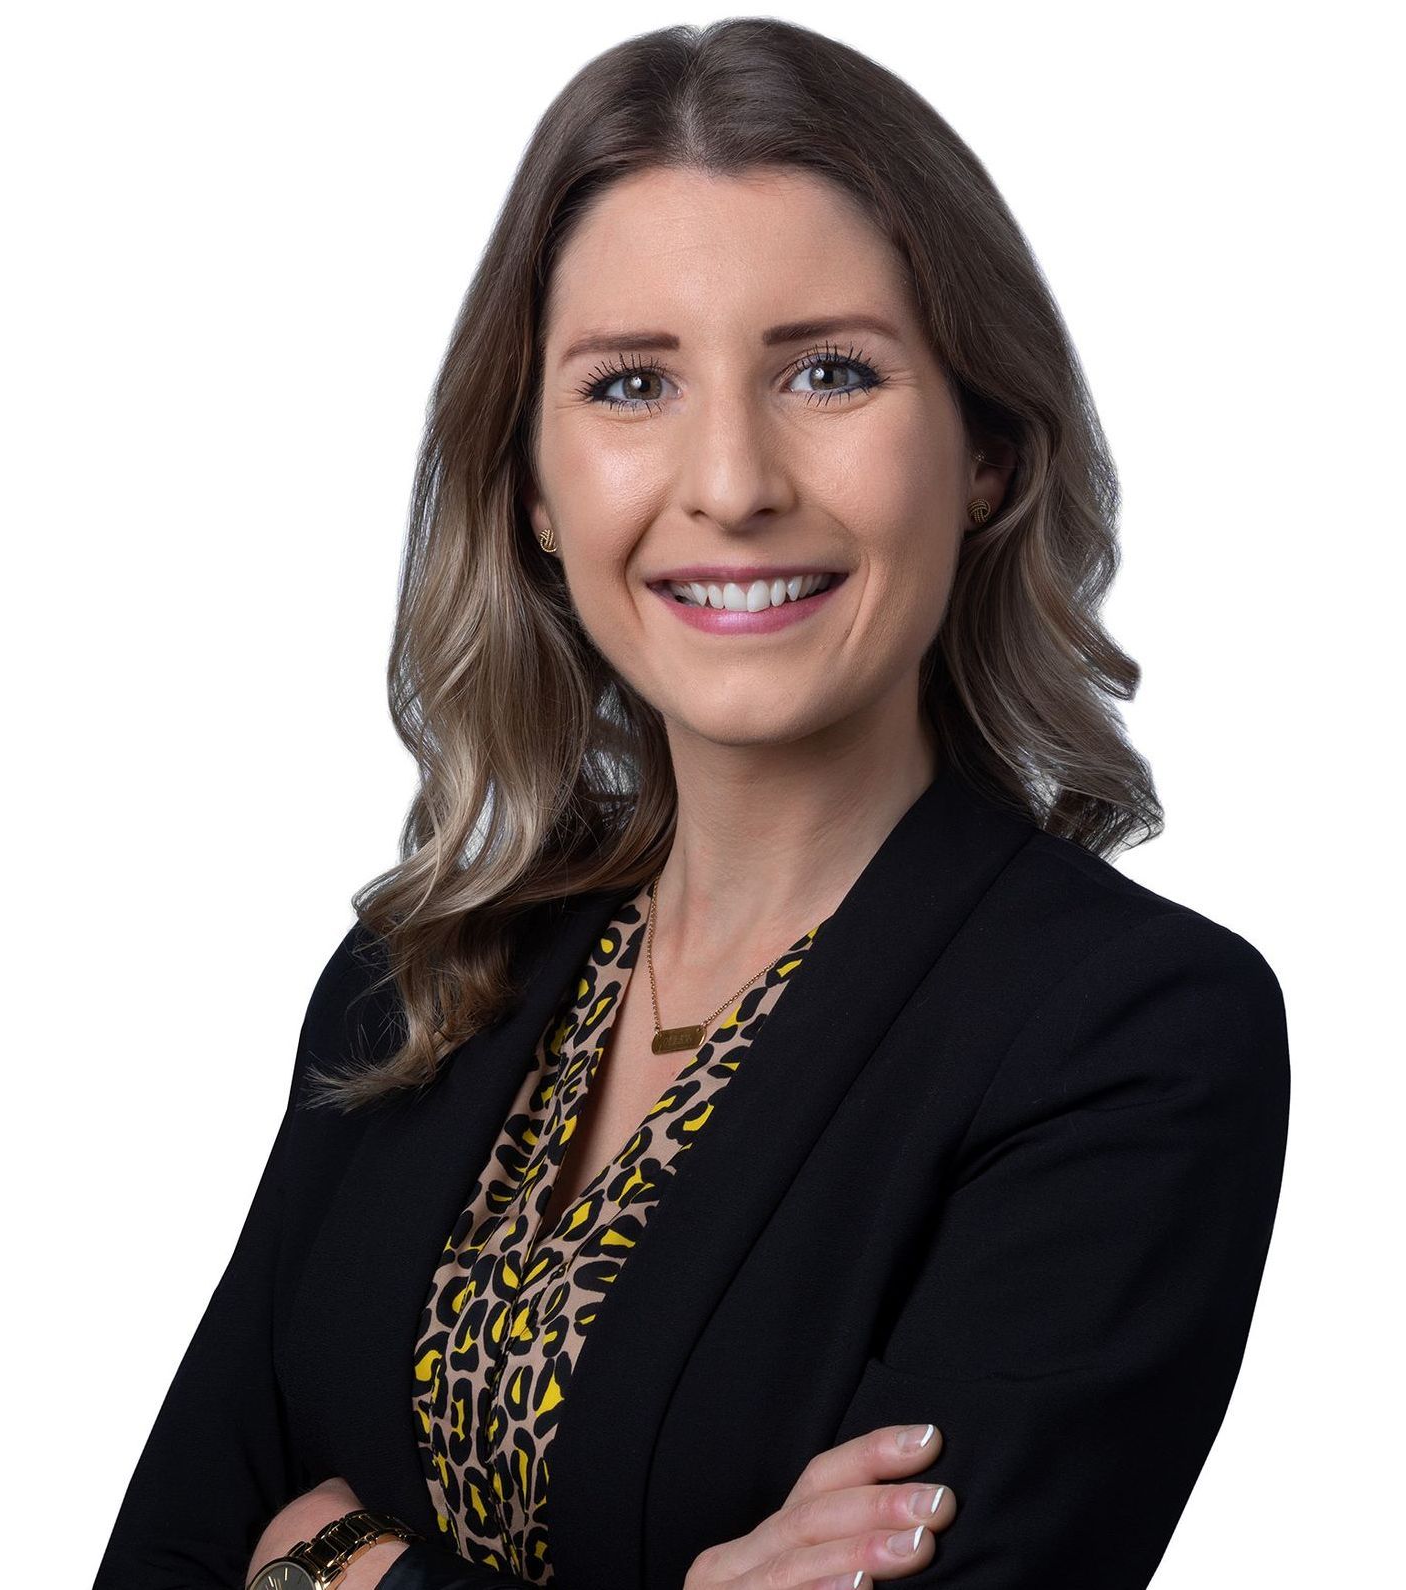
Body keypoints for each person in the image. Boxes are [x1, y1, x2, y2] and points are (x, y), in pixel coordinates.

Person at [93, 18, 1290, 1590]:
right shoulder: (412, 981)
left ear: (988, 451)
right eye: (633, 382)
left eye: (830, 371)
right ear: (531, 478)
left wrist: (334, 1562)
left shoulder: (1133, 1037)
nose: (730, 479)